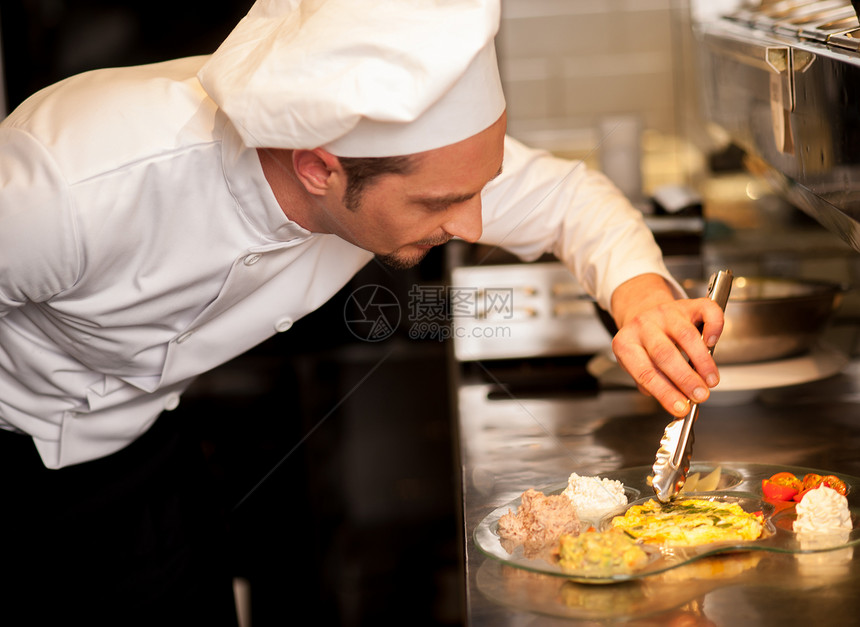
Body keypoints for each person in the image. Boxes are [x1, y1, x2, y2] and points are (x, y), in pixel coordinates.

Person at [0, 0, 724, 623]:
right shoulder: (65, 189)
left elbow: (571, 198)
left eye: (480, 189)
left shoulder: (415, 159)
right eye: (441, 204)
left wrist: (643, 300)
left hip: (145, 456)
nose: (472, 224)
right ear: (318, 168)